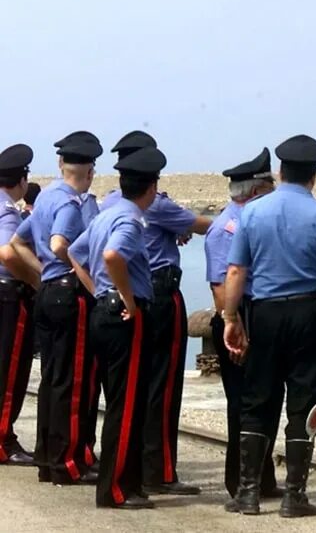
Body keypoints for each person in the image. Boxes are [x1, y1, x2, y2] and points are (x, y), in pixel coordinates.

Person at [222, 134, 316, 517]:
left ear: (280, 170)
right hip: (312, 314)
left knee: (258, 397)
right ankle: (294, 494)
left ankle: (247, 492)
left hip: (265, 313)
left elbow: (237, 269)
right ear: (314, 175)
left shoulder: (253, 213)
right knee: (306, 401)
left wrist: (230, 317)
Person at [102, 130, 211, 495]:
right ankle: (160, 469)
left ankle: (139, 466)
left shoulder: (109, 204)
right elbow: (201, 225)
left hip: (131, 296)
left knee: (139, 385)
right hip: (161, 295)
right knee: (163, 388)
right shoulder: (155, 205)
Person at [69, 146, 167, 510]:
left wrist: (99, 293)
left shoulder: (105, 214)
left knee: (124, 403)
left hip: (103, 314)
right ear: (151, 188)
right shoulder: (129, 221)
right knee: (125, 407)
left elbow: (75, 255)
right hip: (125, 317)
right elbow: (112, 256)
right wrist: (125, 298)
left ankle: (129, 482)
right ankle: (115, 489)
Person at [8, 138, 102, 485]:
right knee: (74, 381)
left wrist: (41, 273)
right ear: (90, 171)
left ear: (62, 164)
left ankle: (49, 457)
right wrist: (74, 269)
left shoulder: (45, 196)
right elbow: (60, 244)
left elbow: (18, 243)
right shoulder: (70, 204)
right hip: (69, 294)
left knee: (52, 378)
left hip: (48, 292)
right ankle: (69, 461)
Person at [204, 147, 282, 510]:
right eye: (268, 186)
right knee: (243, 404)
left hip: (257, 314)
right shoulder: (226, 228)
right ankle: (240, 480)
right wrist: (234, 327)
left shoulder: (253, 222)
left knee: (266, 401)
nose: (273, 192)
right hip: (238, 319)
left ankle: (263, 478)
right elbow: (221, 287)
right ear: (254, 190)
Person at [0, 144, 36, 465]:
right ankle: (3, 441)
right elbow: (8, 253)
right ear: (21, 180)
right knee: (10, 372)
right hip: (8, 296)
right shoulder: (7, 210)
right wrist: (36, 279)